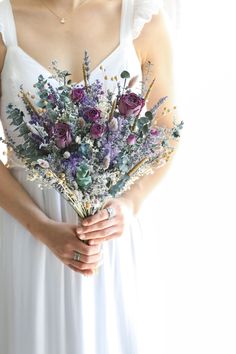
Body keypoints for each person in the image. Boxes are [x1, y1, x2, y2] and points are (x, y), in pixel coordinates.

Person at [0, 0, 177, 353]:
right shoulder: (5, 22)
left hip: (112, 239)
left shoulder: (141, 18)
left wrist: (129, 204)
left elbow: (166, 132)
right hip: (27, 234)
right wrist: (41, 228)